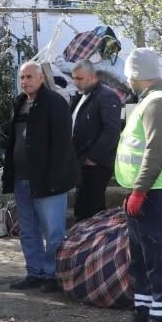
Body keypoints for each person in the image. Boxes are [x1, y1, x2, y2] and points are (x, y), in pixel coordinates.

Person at [112, 47, 162, 322]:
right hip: (144, 191)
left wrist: (140, 190)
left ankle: (161, 320)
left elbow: (155, 152)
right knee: (140, 257)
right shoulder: (150, 100)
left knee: (157, 257)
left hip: (155, 192)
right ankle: (142, 309)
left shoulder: (159, 102)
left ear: (136, 75)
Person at [2, 61, 76, 292]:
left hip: (47, 181)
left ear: (41, 77)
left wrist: (55, 179)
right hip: (22, 180)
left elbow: (62, 145)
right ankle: (34, 273)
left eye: (29, 77)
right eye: (22, 78)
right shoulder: (20, 103)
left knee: (53, 231)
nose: (24, 82)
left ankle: (52, 275)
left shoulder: (55, 103)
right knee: (28, 230)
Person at [70, 59, 124, 222]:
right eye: (74, 78)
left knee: (86, 211)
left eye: (79, 78)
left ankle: (89, 244)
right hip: (83, 162)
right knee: (93, 211)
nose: (75, 82)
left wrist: (93, 157)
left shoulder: (106, 96)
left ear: (92, 76)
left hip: (96, 164)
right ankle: (98, 244)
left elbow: (112, 131)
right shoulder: (83, 96)